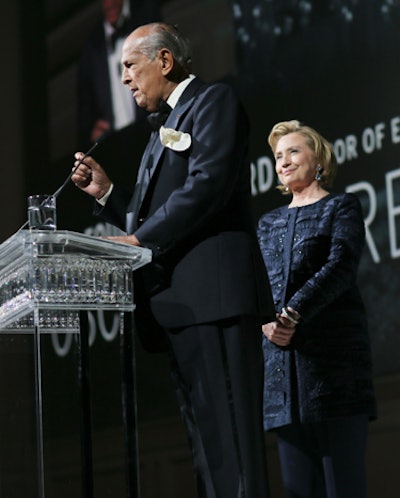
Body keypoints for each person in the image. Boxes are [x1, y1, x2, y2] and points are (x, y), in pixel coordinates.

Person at [72, 22, 274, 498]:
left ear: (164, 61)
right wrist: (108, 194)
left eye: (128, 66)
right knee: (208, 454)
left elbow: (206, 188)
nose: (123, 78)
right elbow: (156, 209)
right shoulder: (161, 126)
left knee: (233, 453)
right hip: (180, 309)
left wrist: (138, 238)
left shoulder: (213, 102)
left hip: (215, 302)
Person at [257, 120, 377, 498]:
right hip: (282, 385)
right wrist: (266, 323)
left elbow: (341, 265)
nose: (283, 161)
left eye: (293, 151)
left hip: (335, 377)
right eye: (278, 156)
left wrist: (292, 314)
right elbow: (258, 284)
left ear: (318, 159)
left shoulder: (341, 206)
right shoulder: (267, 222)